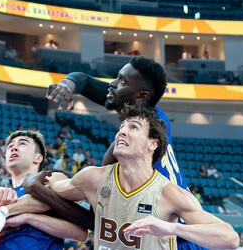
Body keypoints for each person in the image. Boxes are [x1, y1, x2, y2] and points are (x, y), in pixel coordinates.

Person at [0, 105, 240, 250]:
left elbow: (230, 238)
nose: (122, 132)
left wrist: (172, 227)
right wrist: (7, 210)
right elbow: (48, 192)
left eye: (133, 127)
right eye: (121, 127)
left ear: (153, 144)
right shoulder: (93, 179)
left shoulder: (169, 194)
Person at [45, 56, 209, 250]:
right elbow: (85, 80)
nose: (112, 84)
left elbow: (96, 218)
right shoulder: (155, 118)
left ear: (141, 97)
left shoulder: (123, 150)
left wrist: (40, 192)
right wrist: (68, 84)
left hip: (173, 238)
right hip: (184, 230)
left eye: (122, 81)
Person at [0, 130, 87, 249]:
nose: (14, 148)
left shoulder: (53, 178)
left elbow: (80, 234)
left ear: (38, 158)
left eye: (22, 144)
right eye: (10, 146)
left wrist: (28, 218)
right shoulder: (0, 197)